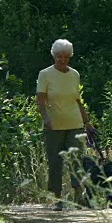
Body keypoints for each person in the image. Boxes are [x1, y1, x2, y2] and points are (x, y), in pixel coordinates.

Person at [36, 39, 93, 211]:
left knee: (76, 160)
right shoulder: (45, 74)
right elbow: (40, 100)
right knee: (55, 162)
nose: (62, 60)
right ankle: (57, 199)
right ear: (54, 56)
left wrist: (87, 121)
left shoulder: (74, 74)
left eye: (66, 57)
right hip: (53, 125)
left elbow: (77, 100)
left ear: (70, 57)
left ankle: (78, 198)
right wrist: (46, 118)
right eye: (59, 56)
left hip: (74, 123)